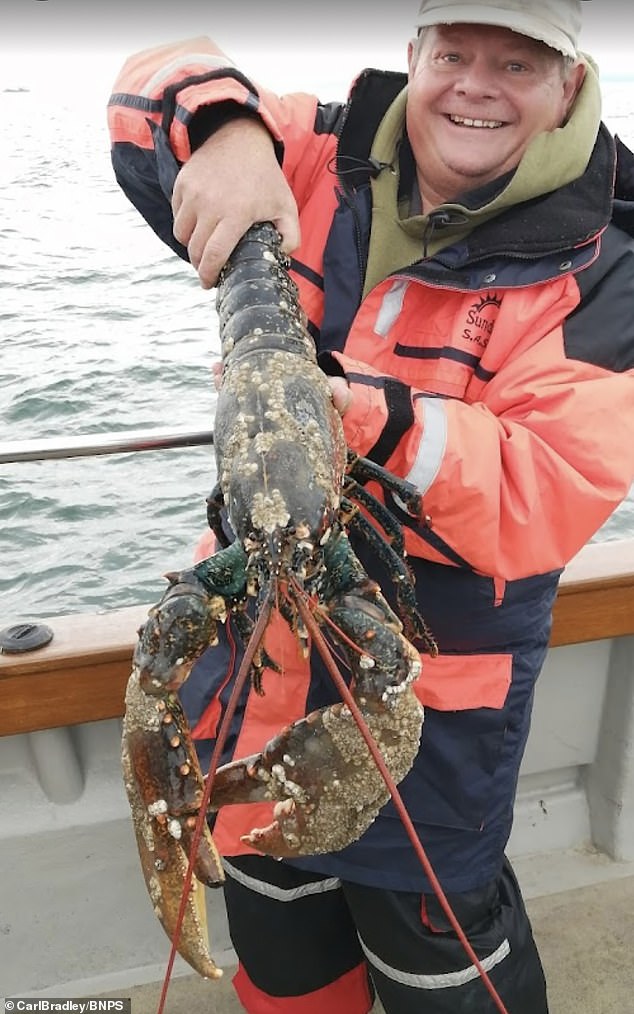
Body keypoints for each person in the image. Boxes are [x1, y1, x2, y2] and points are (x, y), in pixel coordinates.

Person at [108, 1, 634, 1011]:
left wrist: (373, 420)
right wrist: (223, 132)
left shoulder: (607, 264)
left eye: (517, 63)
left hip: (437, 709)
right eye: (455, 53)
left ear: (568, 85)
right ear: (414, 56)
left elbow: (546, 494)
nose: (475, 84)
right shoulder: (310, 148)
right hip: (248, 686)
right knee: (278, 936)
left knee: (437, 958)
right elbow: (152, 78)